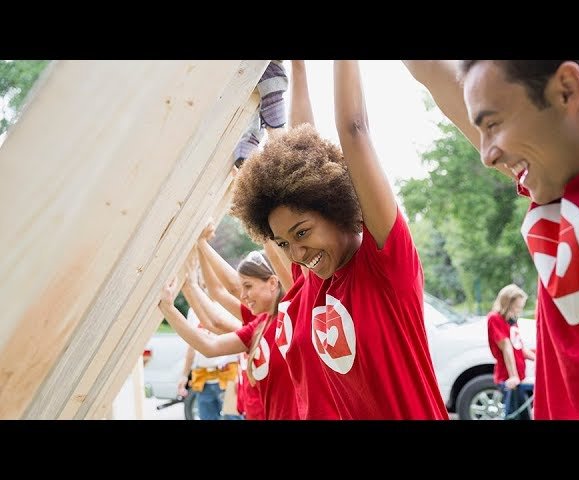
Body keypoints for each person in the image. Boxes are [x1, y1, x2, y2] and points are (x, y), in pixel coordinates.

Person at [404, 60, 579, 419]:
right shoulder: (553, 190)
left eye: (493, 124)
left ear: (566, 88)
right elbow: (432, 72)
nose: (486, 155)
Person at [229, 60, 448, 419]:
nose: (296, 254)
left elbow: (354, 130)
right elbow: (304, 145)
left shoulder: (385, 266)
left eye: (301, 233)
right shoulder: (315, 279)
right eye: (283, 244)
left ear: (335, 205)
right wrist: (297, 69)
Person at [158, 243, 299, 420]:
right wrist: (168, 307)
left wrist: (203, 244)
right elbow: (209, 346)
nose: (242, 295)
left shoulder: (294, 313)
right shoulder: (259, 326)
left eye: (248, 286)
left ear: (272, 282)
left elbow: (224, 297)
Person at [177, 307, 244, 420]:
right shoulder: (193, 309)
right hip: (203, 378)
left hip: (229, 376)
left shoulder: (227, 304)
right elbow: (191, 346)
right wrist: (184, 375)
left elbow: (242, 339)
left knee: (234, 418)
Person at [487, 284, 535, 420]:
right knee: (514, 416)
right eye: (517, 307)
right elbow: (506, 347)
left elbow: (519, 347)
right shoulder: (495, 319)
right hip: (509, 379)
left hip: (519, 378)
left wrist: (538, 359)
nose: (519, 310)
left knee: (525, 416)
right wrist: (513, 376)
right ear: (508, 304)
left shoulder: (512, 321)